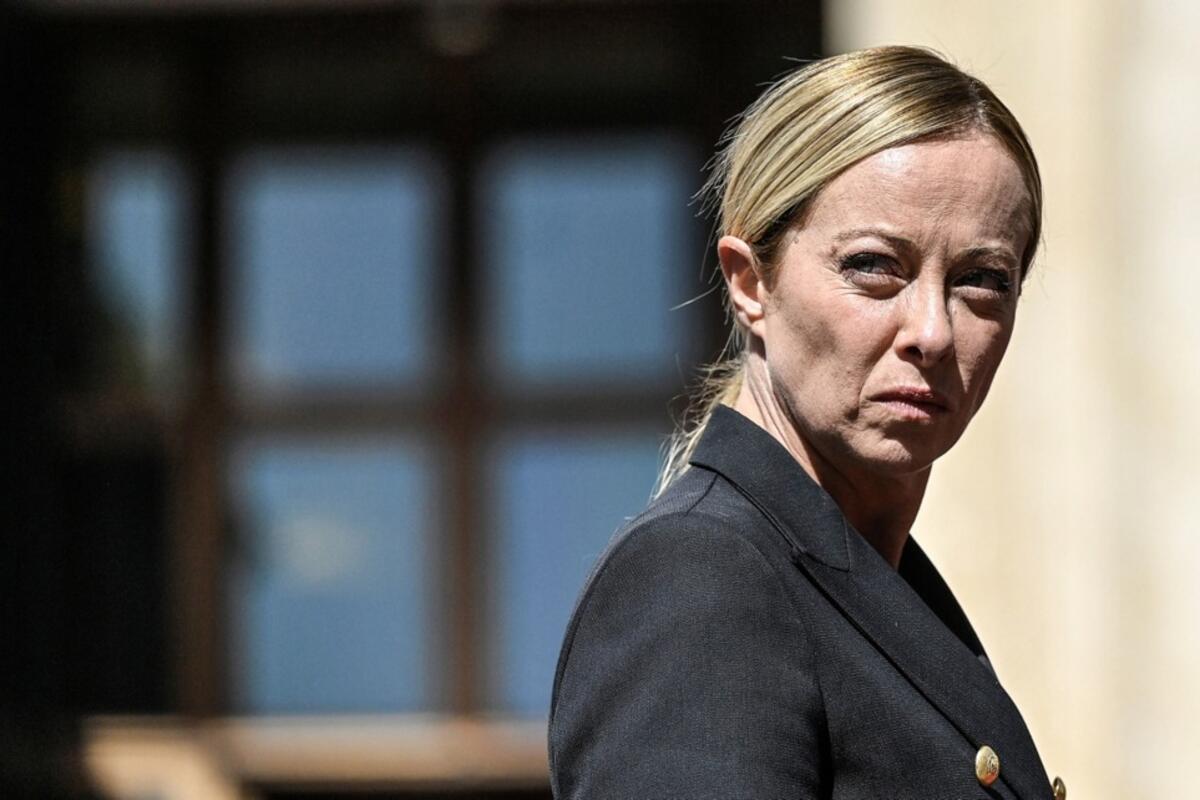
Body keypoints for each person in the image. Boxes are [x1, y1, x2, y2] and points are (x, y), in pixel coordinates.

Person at [548, 46, 1068, 800]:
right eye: (874, 266)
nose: (933, 331)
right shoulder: (701, 577)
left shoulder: (871, 582)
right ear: (749, 282)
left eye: (982, 280)